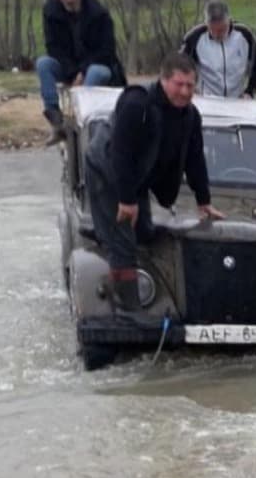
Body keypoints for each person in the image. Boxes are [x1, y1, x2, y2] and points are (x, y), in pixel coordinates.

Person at [84, 52, 225, 311]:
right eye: (178, 84)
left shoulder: (190, 116)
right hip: (107, 168)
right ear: (163, 81)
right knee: (124, 242)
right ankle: (128, 312)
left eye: (190, 86)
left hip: (137, 174)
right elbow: (121, 153)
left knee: (145, 232)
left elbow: (194, 159)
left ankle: (101, 231)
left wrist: (204, 201)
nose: (184, 92)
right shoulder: (137, 104)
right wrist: (126, 200)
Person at [37, 0, 126, 144]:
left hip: (99, 66)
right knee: (43, 64)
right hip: (68, 65)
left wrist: (82, 73)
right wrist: (72, 72)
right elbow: (54, 48)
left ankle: (80, 119)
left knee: (95, 72)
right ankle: (55, 118)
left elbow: (106, 51)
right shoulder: (51, 12)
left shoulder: (98, 13)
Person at [180, 0, 256, 99]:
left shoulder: (244, 35)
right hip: (206, 100)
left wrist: (250, 91)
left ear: (229, 20)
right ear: (207, 24)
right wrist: (190, 88)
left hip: (237, 101)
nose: (217, 34)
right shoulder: (195, 37)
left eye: (222, 30)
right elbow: (179, 68)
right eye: (213, 30)